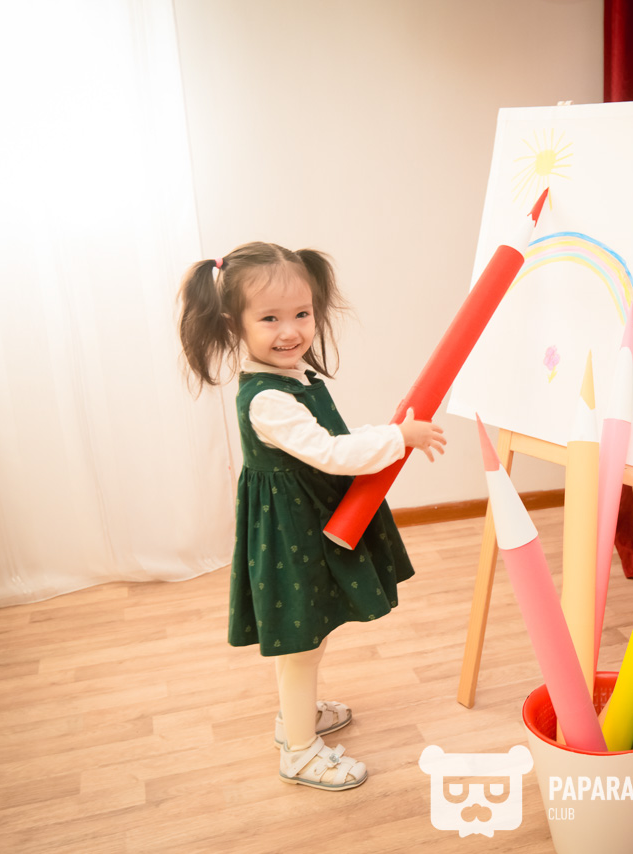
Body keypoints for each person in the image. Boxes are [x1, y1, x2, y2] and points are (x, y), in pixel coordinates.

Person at [177, 242, 446, 792]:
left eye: (302, 314)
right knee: (302, 642)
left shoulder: (291, 379)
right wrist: (398, 438)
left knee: (307, 637)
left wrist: (388, 435)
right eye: (270, 318)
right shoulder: (267, 399)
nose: (290, 331)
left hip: (305, 521)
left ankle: (295, 717)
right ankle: (299, 752)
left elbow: (330, 443)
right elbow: (330, 452)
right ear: (233, 323)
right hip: (292, 533)